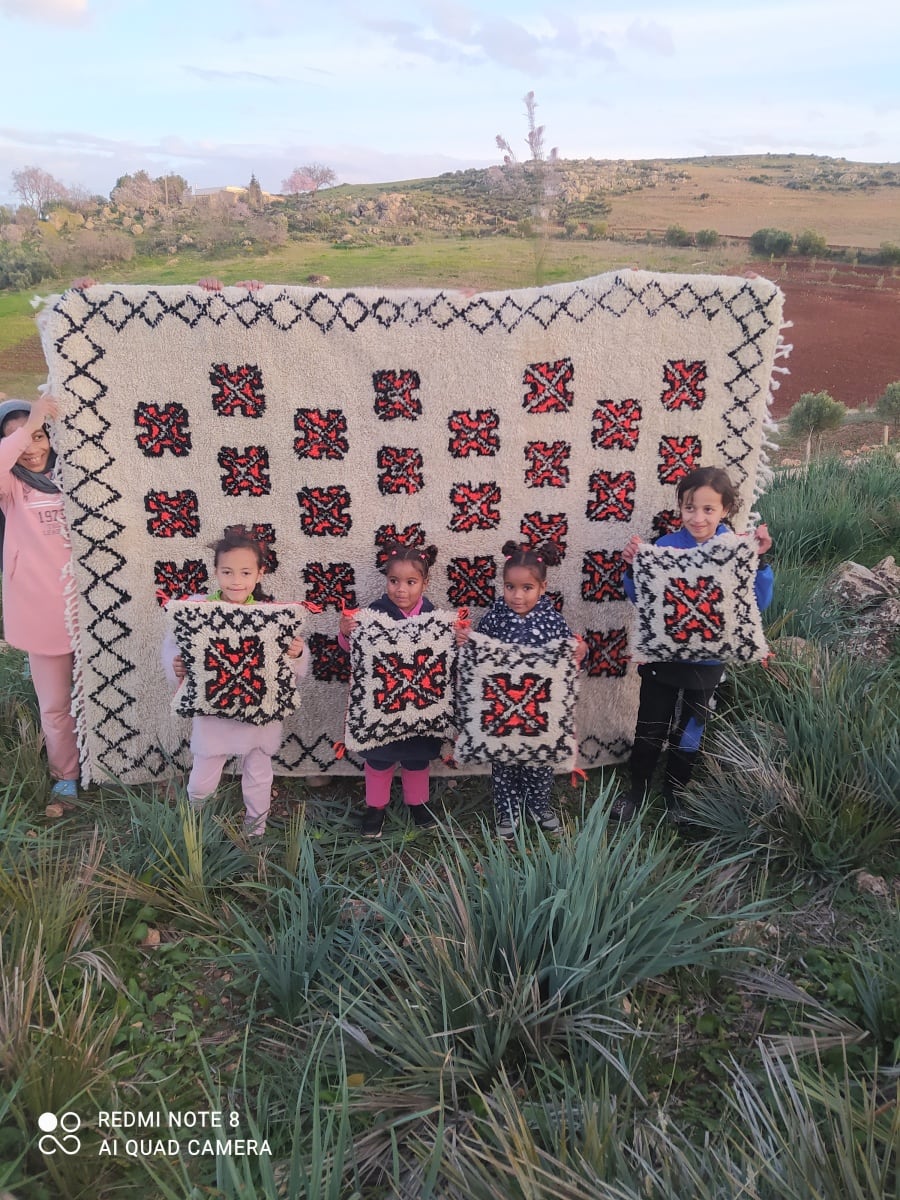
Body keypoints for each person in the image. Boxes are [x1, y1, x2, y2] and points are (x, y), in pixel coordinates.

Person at [616, 466, 774, 824]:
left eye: (708, 509)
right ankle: (637, 790)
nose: (698, 517)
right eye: (690, 508)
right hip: (662, 661)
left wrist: (758, 560)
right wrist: (632, 568)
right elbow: (642, 600)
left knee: (691, 732)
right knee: (650, 727)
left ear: (725, 509)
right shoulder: (665, 546)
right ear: (680, 507)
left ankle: (677, 795)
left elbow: (756, 604)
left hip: (707, 667)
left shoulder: (735, 550)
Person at [163, 526, 307, 837]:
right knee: (203, 776)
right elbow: (177, 646)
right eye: (227, 572)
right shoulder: (199, 610)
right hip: (213, 712)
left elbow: (288, 668)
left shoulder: (271, 616)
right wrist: (177, 666)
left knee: (258, 774)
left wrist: (295, 652)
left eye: (245, 572)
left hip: (259, 713)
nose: (236, 580)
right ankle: (196, 825)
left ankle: (255, 830)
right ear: (215, 572)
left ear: (260, 574)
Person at [458, 539, 587, 839]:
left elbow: (569, 654)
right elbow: (480, 655)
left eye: (526, 588)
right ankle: (507, 808)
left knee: (539, 761)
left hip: (538, 710)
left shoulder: (553, 621)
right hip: (502, 708)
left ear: (542, 587)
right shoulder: (494, 618)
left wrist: (580, 649)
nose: (517, 595)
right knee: (503, 762)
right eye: (509, 587)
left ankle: (538, 805)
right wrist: (468, 641)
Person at [0, 395, 80, 803]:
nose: (31, 447)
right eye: (16, 439)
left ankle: (106, 764)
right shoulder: (11, 486)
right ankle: (66, 774)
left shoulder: (75, 473)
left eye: (39, 436)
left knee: (100, 695)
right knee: (55, 706)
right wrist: (32, 417)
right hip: (41, 611)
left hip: (89, 609)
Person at [338, 542, 441, 839]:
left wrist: (457, 641)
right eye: (394, 581)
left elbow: (443, 660)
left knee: (416, 758)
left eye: (411, 582)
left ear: (425, 583)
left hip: (420, 705)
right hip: (383, 703)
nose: (401, 590)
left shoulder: (432, 616)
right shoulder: (375, 613)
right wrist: (346, 633)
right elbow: (352, 651)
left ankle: (418, 804)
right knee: (379, 759)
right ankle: (375, 808)